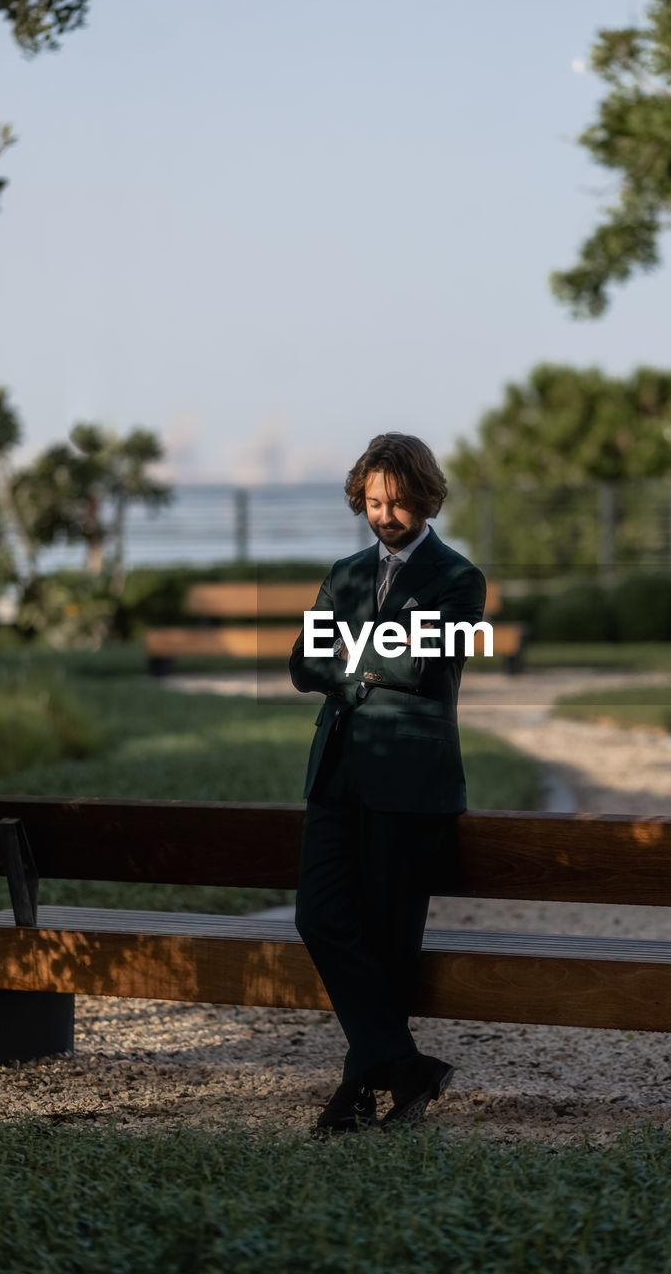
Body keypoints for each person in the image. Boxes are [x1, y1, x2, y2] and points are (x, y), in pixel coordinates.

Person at [289, 432, 486, 1132]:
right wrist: (365, 659)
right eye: (372, 501)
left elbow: (427, 664)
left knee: (388, 943)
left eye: (397, 503)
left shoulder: (459, 578)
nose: (383, 515)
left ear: (424, 498)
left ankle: (358, 1092)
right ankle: (407, 1068)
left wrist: (351, 651)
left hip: (410, 783)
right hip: (337, 772)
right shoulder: (344, 573)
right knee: (319, 916)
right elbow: (301, 663)